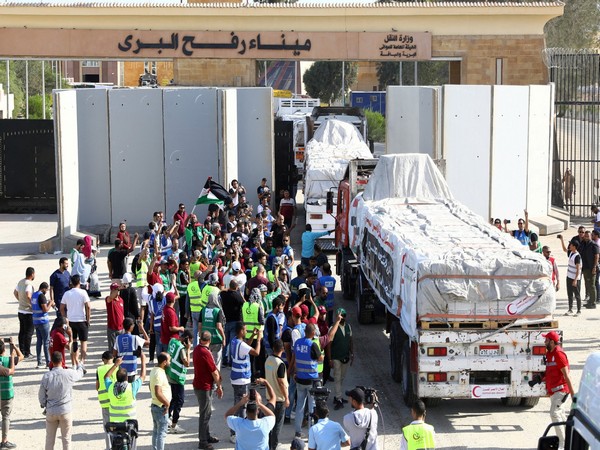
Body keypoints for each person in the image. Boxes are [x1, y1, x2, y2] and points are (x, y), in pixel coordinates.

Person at [39, 350, 85, 450]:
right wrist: (78, 360)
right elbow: (81, 372)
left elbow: (41, 396)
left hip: (51, 410)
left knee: (49, 440)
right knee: (66, 439)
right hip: (65, 410)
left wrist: (44, 404)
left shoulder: (46, 376)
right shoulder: (69, 373)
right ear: (62, 360)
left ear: (51, 361)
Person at [540, 331, 575, 449]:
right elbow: (551, 371)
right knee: (561, 416)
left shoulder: (559, 354)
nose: (544, 342)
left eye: (546, 340)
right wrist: (540, 377)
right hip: (554, 392)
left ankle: (563, 444)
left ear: (552, 342)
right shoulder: (550, 353)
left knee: (554, 413)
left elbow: (567, 375)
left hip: (561, 391)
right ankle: (570, 442)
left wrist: (573, 396)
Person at [229, 322, 262, 443]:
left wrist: (252, 336)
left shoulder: (234, 341)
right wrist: (258, 339)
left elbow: (246, 346)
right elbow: (256, 352)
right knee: (241, 406)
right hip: (242, 379)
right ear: (240, 331)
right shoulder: (241, 345)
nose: (246, 331)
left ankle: (234, 432)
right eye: (245, 330)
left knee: (237, 404)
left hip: (236, 378)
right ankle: (238, 433)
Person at [291, 323, 323, 439]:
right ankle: (311, 432)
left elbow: (295, 360)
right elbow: (319, 358)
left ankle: (298, 432)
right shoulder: (313, 344)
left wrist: (294, 373)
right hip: (311, 380)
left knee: (299, 406)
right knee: (311, 406)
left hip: (300, 379)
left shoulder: (298, 343)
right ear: (313, 333)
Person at [193, 330, 224, 450]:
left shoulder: (196, 349)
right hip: (204, 387)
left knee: (207, 412)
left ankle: (206, 435)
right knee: (204, 415)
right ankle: (203, 441)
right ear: (209, 341)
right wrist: (219, 386)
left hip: (199, 385)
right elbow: (214, 372)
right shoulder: (205, 352)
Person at [105, 353, 147, 426]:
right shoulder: (132, 387)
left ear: (116, 378)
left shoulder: (111, 387)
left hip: (114, 422)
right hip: (130, 422)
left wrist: (116, 365)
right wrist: (143, 361)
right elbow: (143, 376)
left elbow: (106, 377)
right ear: (127, 378)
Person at [60, 275, 91, 370]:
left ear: (71, 283)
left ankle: (74, 363)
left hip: (71, 321)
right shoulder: (83, 292)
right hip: (81, 320)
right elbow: (88, 306)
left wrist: (65, 318)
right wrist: (88, 319)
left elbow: (61, 307)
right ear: (79, 282)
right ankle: (82, 362)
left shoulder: (67, 293)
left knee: (73, 342)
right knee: (83, 342)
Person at [165, 330, 193, 435]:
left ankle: (166, 417)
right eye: (190, 341)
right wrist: (188, 349)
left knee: (174, 398)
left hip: (170, 373)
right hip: (177, 377)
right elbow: (187, 364)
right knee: (179, 401)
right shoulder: (182, 349)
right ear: (186, 339)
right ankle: (174, 425)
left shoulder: (172, 341)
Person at [264, 339, 289, 450]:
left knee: (269, 424)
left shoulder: (268, 360)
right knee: (277, 425)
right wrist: (287, 398)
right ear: (282, 350)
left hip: (269, 398)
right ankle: (273, 446)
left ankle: (268, 445)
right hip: (279, 399)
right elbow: (282, 383)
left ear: (273, 348)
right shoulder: (281, 364)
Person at [0, 338, 22, 449]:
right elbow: (21, 356)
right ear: (4, 349)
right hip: (6, 394)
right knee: (5, 417)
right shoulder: (8, 360)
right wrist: (14, 347)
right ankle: (4, 441)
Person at [330, 309, 353, 410]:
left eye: (343, 315)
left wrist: (352, 353)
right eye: (340, 315)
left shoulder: (348, 327)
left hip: (345, 356)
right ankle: (339, 399)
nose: (342, 317)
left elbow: (351, 341)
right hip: (336, 357)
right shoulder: (333, 328)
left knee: (342, 377)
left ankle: (337, 396)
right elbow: (329, 344)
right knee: (337, 377)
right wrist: (330, 358)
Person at [114, 317, 149, 382]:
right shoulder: (135, 338)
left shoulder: (118, 338)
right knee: (131, 389)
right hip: (132, 369)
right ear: (131, 327)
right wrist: (142, 328)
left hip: (121, 369)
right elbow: (148, 342)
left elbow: (114, 353)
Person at [221, 279, 245, 367]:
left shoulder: (223, 294)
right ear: (236, 287)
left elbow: (221, 291)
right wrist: (241, 294)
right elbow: (244, 303)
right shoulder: (238, 295)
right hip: (235, 321)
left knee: (225, 341)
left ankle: (224, 360)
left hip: (226, 321)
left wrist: (227, 289)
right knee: (232, 342)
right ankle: (231, 361)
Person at [150, 352, 171, 450]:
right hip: (160, 407)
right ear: (164, 362)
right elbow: (158, 392)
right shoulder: (159, 373)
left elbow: (151, 388)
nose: (169, 362)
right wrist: (167, 404)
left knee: (156, 431)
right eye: (168, 361)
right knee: (162, 433)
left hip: (155, 405)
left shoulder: (154, 370)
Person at [199, 291, 226, 370]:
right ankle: (215, 380)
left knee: (206, 361)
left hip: (205, 339)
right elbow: (219, 326)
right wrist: (223, 338)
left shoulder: (203, 310)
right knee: (216, 363)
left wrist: (201, 336)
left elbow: (199, 325)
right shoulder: (218, 311)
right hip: (216, 339)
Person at [96, 351, 117, 450]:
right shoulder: (117, 367)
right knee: (117, 426)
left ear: (103, 360)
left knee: (107, 427)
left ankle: (109, 447)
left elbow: (97, 386)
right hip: (116, 401)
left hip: (104, 402)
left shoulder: (99, 369)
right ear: (112, 358)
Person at [14, 266, 35, 358]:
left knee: (22, 331)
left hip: (20, 310)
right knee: (29, 332)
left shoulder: (21, 282)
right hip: (28, 311)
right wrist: (32, 305)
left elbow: (15, 292)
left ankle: (21, 351)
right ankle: (27, 352)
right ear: (32, 274)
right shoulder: (29, 284)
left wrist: (20, 300)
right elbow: (28, 295)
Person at [33, 282, 54, 368]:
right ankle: (48, 362)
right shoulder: (41, 296)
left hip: (36, 321)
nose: (47, 291)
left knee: (39, 342)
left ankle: (39, 362)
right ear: (44, 289)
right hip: (43, 321)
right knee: (46, 342)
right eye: (47, 289)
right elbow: (45, 310)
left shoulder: (34, 295)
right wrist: (50, 303)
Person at [578, 231, 599, 309]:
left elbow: (597, 256)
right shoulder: (583, 244)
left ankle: (593, 303)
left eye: (588, 236)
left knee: (592, 285)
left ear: (591, 236)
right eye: (585, 236)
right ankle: (590, 301)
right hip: (585, 267)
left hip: (591, 268)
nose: (586, 237)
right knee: (588, 285)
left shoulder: (594, 245)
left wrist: (594, 267)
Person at [105, 283, 125, 352]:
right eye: (116, 289)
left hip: (121, 328)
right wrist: (117, 289)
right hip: (112, 329)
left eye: (118, 289)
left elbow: (122, 314)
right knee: (112, 349)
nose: (118, 290)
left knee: (121, 348)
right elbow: (110, 297)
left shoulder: (121, 300)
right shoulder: (109, 299)